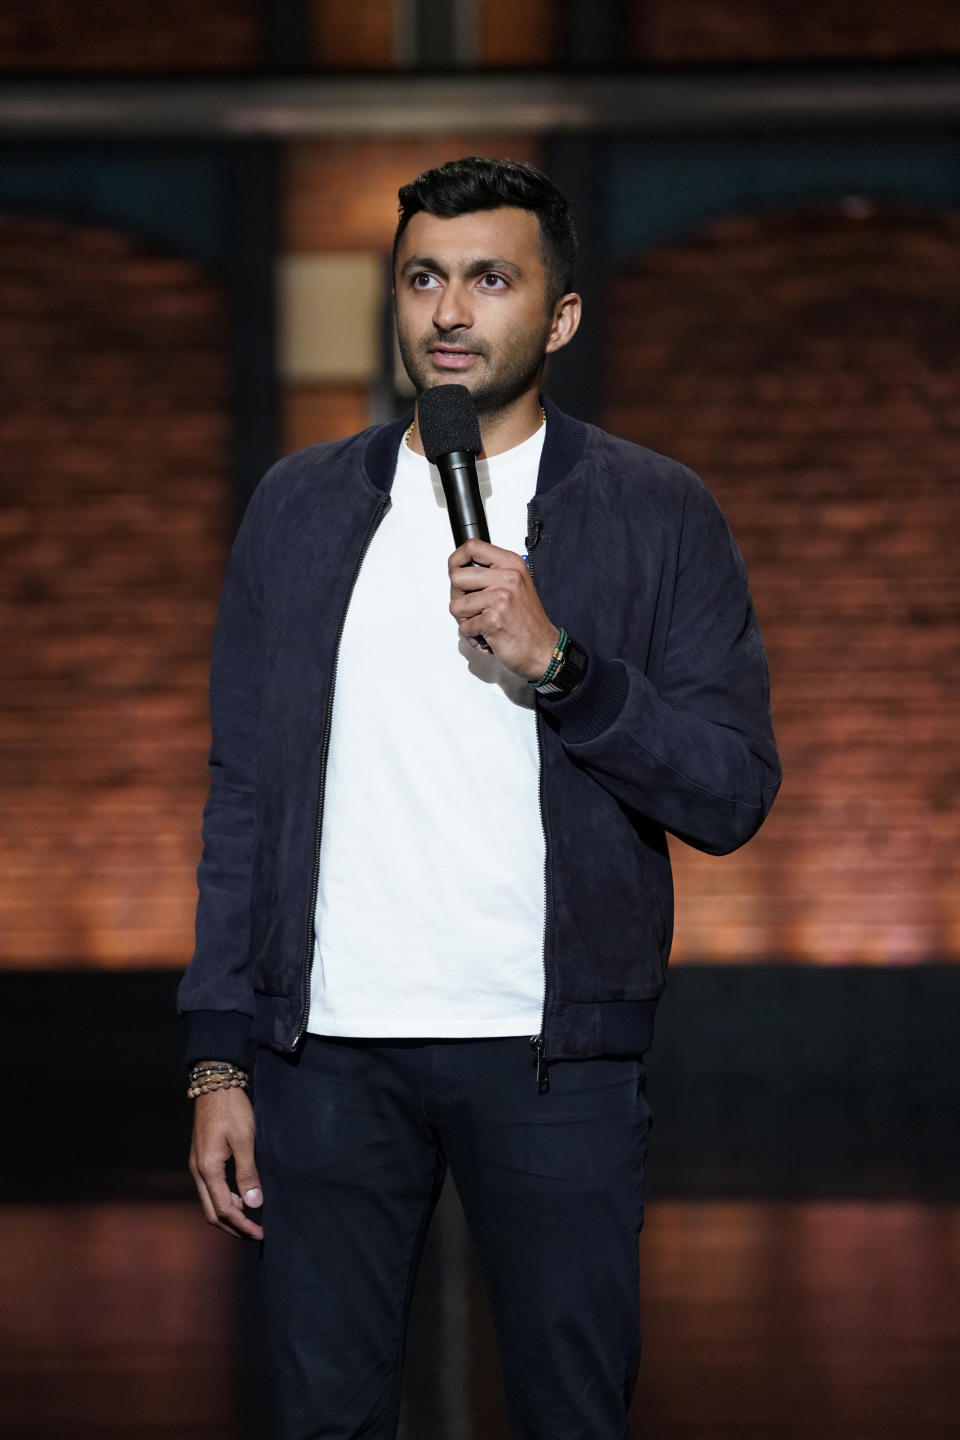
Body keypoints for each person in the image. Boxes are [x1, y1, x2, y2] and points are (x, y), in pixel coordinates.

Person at [178, 156, 781, 1440]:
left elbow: (732, 791)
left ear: (558, 316)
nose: (450, 312)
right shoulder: (296, 509)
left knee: (571, 1413)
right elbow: (243, 797)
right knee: (324, 1416)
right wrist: (217, 1057)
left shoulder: (656, 512)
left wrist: (561, 664)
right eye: (424, 278)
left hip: (552, 1057)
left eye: (491, 279)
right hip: (322, 1053)